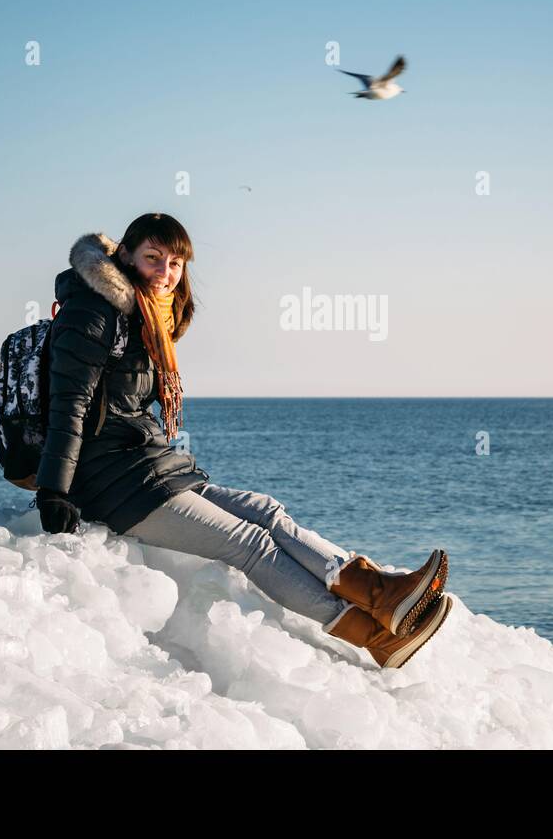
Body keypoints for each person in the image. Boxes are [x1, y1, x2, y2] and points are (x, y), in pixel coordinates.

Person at [33, 214, 452, 668]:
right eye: (153, 258)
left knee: (266, 510)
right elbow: (68, 404)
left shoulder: (145, 319)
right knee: (251, 544)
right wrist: (53, 490)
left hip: (146, 468)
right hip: (109, 485)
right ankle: (373, 636)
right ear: (126, 256)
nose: (165, 272)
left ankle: (382, 596)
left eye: (175, 263)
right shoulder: (93, 313)